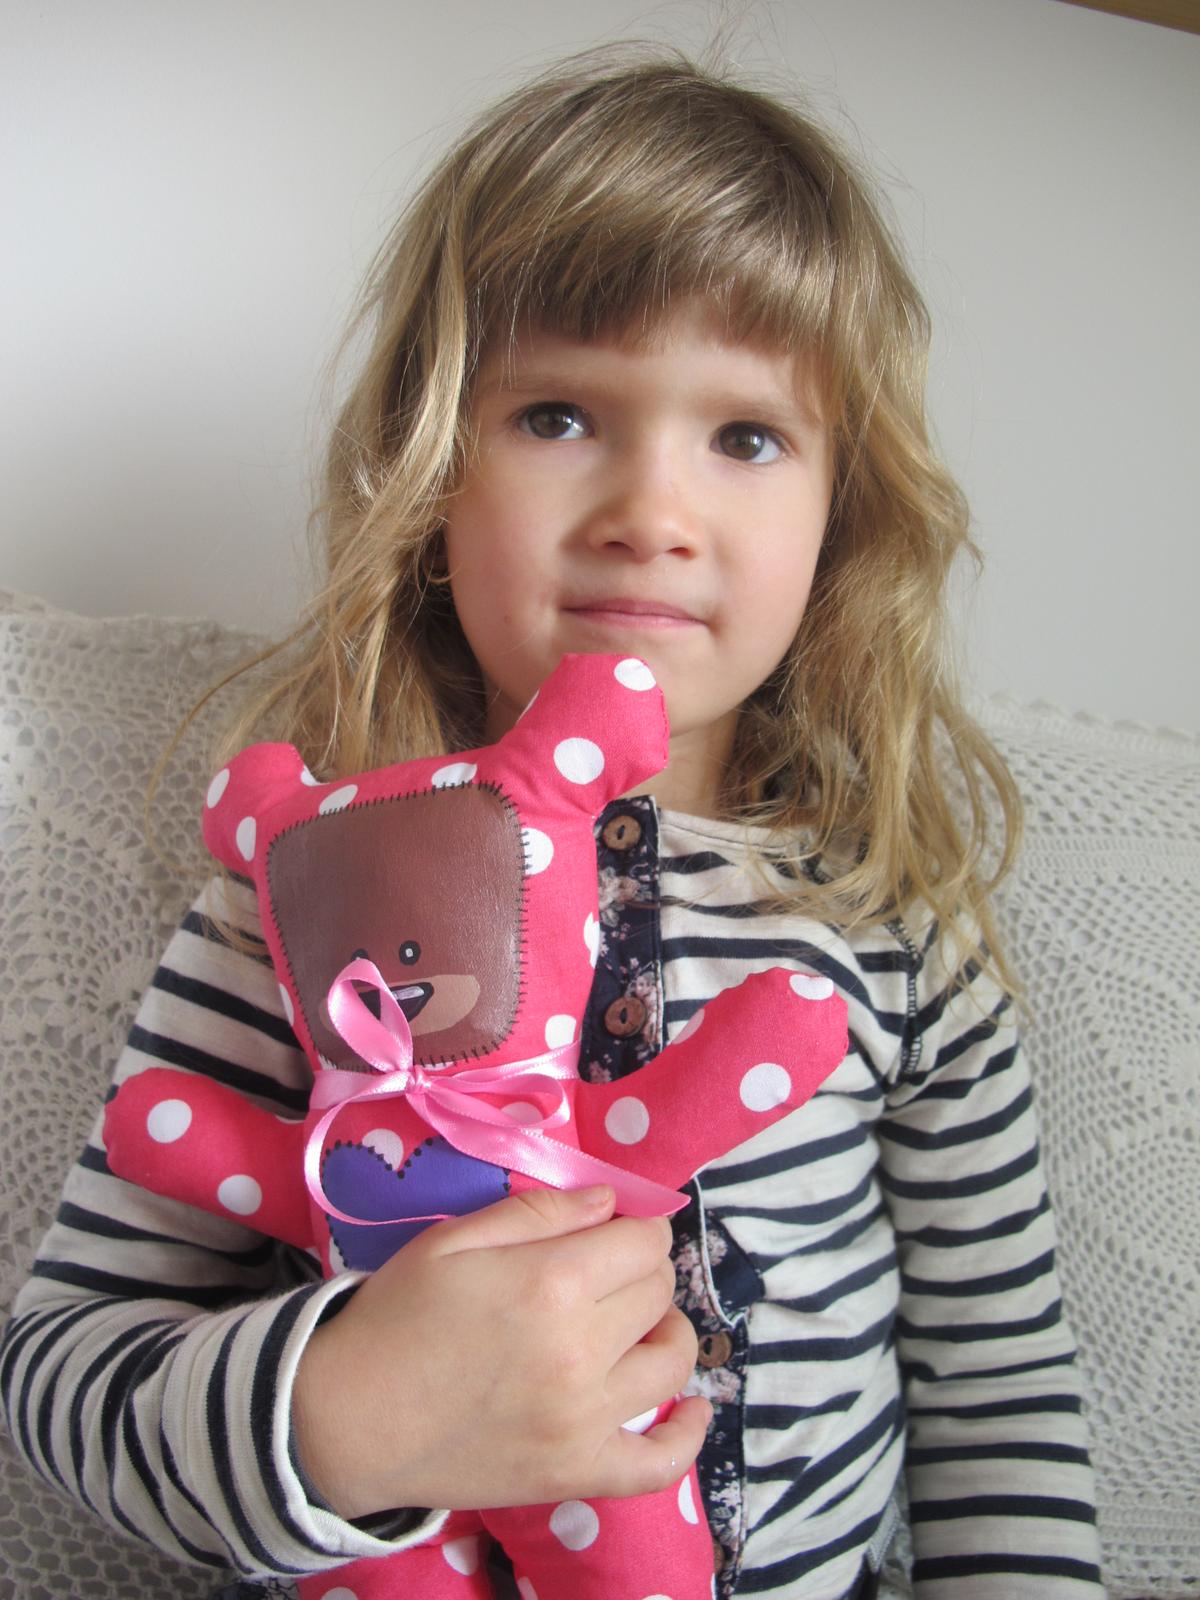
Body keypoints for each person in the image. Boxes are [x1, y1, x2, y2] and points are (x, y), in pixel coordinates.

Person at [0, 46, 1104, 1600]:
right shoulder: (303, 903)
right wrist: (341, 1420)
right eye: (561, 413)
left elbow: (1005, 1399)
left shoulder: (892, 925)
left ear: (843, 517)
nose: (653, 512)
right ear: (431, 473)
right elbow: (61, 1368)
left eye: (747, 437)